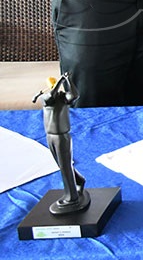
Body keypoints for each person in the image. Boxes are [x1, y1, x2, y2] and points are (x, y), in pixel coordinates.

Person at [36, 73, 89, 214]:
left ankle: (71, 196)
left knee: (65, 165)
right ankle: (79, 180)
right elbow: (51, 95)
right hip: (50, 135)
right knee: (61, 164)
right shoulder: (46, 97)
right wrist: (59, 80)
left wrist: (68, 80)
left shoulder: (63, 99)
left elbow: (75, 95)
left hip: (62, 136)